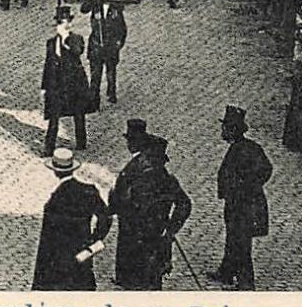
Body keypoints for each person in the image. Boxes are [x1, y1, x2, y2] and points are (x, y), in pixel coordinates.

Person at [108, 124, 192, 290]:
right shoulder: (167, 179)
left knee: (136, 286)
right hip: (155, 241)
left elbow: (115, 203)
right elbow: (185, 204)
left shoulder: (132, 173)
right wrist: (170, 230)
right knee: (152, 285)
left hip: (134, 243)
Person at [31, 148, 113, 291]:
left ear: (55, 171)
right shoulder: (89, 190)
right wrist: (94, 239)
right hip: (81, 249)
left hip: (56, 255)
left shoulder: (58, 196)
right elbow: (106, 217)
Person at [211, 106, 272, 290]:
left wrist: (247, 187)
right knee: (233, 237)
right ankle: (226, 272)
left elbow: (265, 170)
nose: (222, 131)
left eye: (225, 128)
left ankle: (246, 282)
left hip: (243, 206)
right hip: (238, 203)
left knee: (241, 241)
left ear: (233, 130)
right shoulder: (246, 147)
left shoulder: (242, 150)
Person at [40, 6, 95, 156]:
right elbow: (48, 63)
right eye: (59, 23)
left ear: (69, 24)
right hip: (57, 84)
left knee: (78, 114)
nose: (61, 26)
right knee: (54, 116)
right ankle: (49, 147)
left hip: (74, 83)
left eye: (64, 23)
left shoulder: (76, 39)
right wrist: (44, 86)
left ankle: (81, 141)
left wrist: (65, 40)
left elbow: (77, 51)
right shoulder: (51, 42)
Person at [86, 0, 127, 104]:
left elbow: (122, 28)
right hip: (96, 46)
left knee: (111, 72)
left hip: (110, 47)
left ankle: (111, 93)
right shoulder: (95, 6)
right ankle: (94, 95)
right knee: (95, 74)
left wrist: (118, 43)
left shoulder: (116, 10)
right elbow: (83, 8)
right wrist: (91, 1)